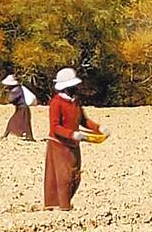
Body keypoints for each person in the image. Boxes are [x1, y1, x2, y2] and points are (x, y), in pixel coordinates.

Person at [44, 68, 110, 211]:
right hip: (59, 145)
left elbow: (83, 121)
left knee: (74, 175)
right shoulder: (56, 103)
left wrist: (99, 128)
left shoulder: (76, 102)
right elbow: (55, 127)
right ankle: (63, 206)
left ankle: (66, 202)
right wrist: (71, 134)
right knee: (64, 176)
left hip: (73, 144)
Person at [1, 74, 34, 141]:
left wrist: (8, 93)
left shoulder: (16, 90)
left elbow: (11, 99)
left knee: (15, 121)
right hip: (22, 108)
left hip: (22, 108)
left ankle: (6, 134)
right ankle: (28, 136)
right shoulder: (18, 88)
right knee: (25, 122)